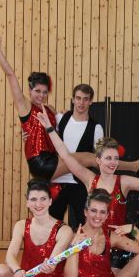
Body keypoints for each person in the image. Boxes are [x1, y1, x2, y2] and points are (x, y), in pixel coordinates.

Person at [0, 35, 138, 180]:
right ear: (30, 90)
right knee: (91, 158)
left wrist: (30, 134)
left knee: (91, 159)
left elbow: (58, 128)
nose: (41, 96)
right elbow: (10, 75)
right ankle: (133, 166)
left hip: (52, 159)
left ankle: (129, 169)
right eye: (37, 91)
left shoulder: (49, 110)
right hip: (40, 162)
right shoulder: (25, 106)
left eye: (44, 92)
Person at [37, 106, 139, 270]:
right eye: (108, 158)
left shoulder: (124, 182)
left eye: (116, 158)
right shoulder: (89, 179)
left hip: (117, 247)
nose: (113, 163)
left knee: (121, 276)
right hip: (91, 244)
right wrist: (50, 129)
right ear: (98, 160)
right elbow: (65, 155)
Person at [51, 84, 104, 230]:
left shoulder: (96, 128)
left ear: (91, 101)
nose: (81, 102)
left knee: (85, 226)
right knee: (52, 226)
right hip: (58, 182)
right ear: (73, 99)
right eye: (78, 98)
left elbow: (99, 159)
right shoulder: (60, 118)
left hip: (80, 184)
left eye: (85, 99)